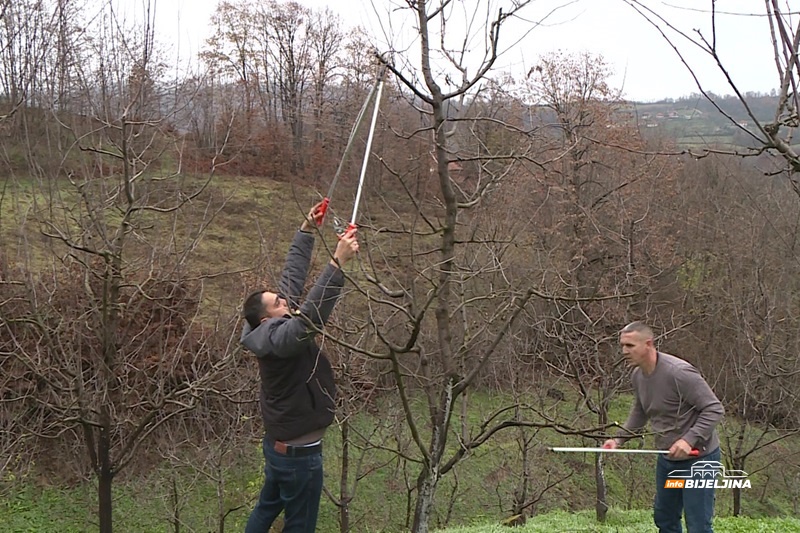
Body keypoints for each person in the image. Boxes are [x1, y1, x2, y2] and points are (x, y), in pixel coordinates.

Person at [240, 200, 359, 533]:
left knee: (265, 511)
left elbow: (290, 279)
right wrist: (338, 261)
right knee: (301, 526)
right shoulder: (282, 339)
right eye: (279, 303)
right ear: (267, 318)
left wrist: (306, 230)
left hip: (280, 449)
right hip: (298, 457)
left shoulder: (264, 327)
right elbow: (310, 319)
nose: (284, 300)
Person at [603, 321, 725, 533]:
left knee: (698, 525)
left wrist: (689, 439)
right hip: (669, 461)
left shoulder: (679, 373)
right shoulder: (638, 375)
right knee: (665, 519)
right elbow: (641, 410)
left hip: (699, 460)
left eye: (630, 346)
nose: (624, 351)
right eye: (622, 345)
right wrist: (618, 439)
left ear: (648, 344)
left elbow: (714, 409)